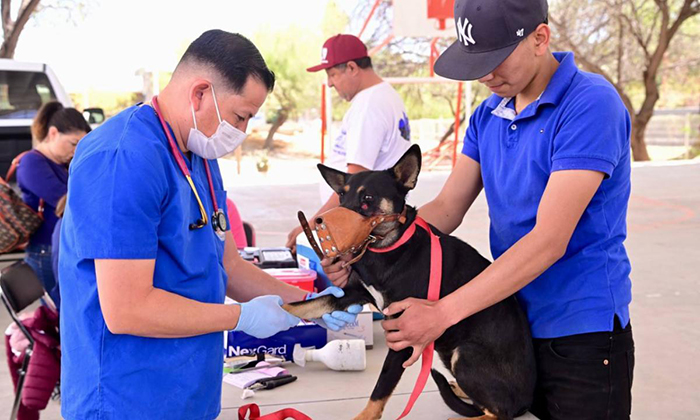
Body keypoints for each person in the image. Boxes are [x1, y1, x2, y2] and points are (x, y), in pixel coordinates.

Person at [329, 1, 635, 419]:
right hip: (505, 319)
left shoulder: (589, 105)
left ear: (540, 38)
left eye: (495, 59)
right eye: (476, 61)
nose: (485, 75)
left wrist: (442, 313)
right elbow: (446, 209)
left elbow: (548, 242)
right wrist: (367, 249)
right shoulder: (487, 115)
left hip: (579, 329)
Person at [58, 30, 360, 420]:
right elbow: (126, 309)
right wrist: (240, 317)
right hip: (127, 396)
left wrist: (309, 306)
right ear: (200, 93)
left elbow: (228, 264)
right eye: (240, 116)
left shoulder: (198, 152)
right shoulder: (123, 157)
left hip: (187, 389)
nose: (243, 131)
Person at [285, 34, 412, 251]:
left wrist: (315, 227)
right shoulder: (385, 96)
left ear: (352, 68)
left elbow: (354, 185)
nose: (330, 83)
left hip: (359, 232)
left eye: (332, 74)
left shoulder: (368, 106)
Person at [16, 101, 91, 300]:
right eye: (74, 143)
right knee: (58, 316)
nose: (76, 150)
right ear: (53, 133)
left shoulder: (61, 165)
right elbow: (68, 203)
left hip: (57, 250)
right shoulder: (31, 162)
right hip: (44, 254)